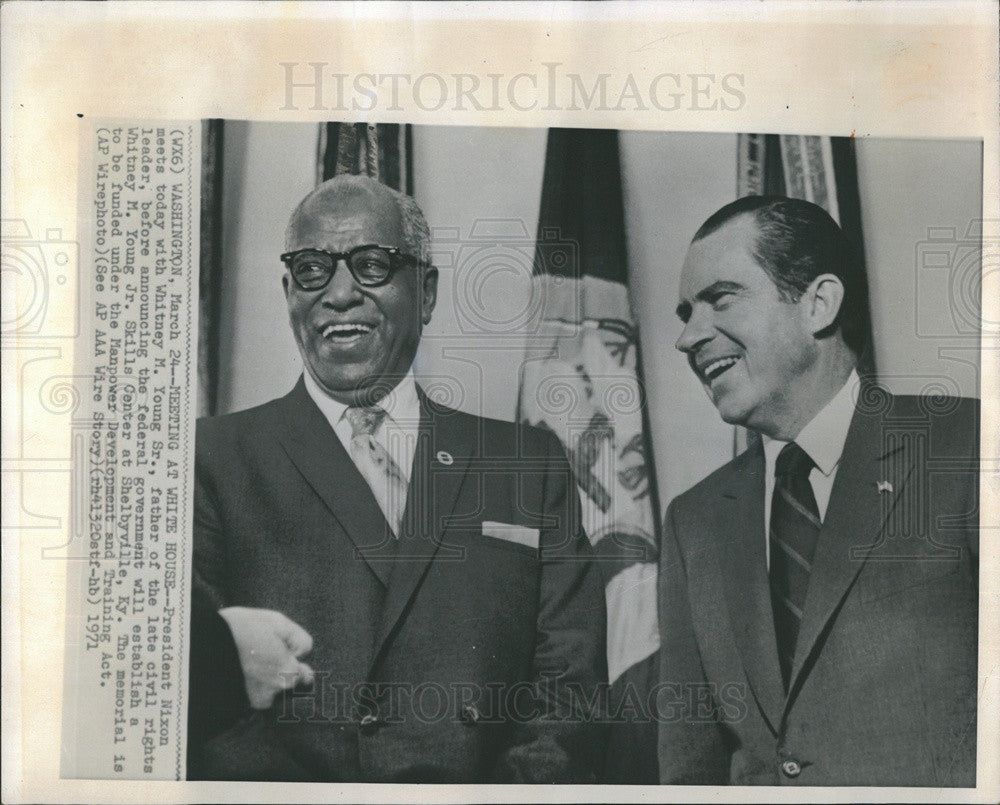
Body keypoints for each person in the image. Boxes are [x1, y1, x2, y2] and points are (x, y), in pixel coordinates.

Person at [188, 174, 607, 782]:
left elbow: (569, 692)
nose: (338, 294)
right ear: (288, 293)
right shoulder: (211, 460)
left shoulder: (527, 462)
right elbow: (196, 693)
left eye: (371, 265)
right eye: (311, 270)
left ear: (427, 291)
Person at [657, 195, 978, 786]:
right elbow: (689, 768)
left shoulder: (968, 448)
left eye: (720, 300)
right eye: (685, 313)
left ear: (819, 305)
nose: (689, 338)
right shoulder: (692, 522)